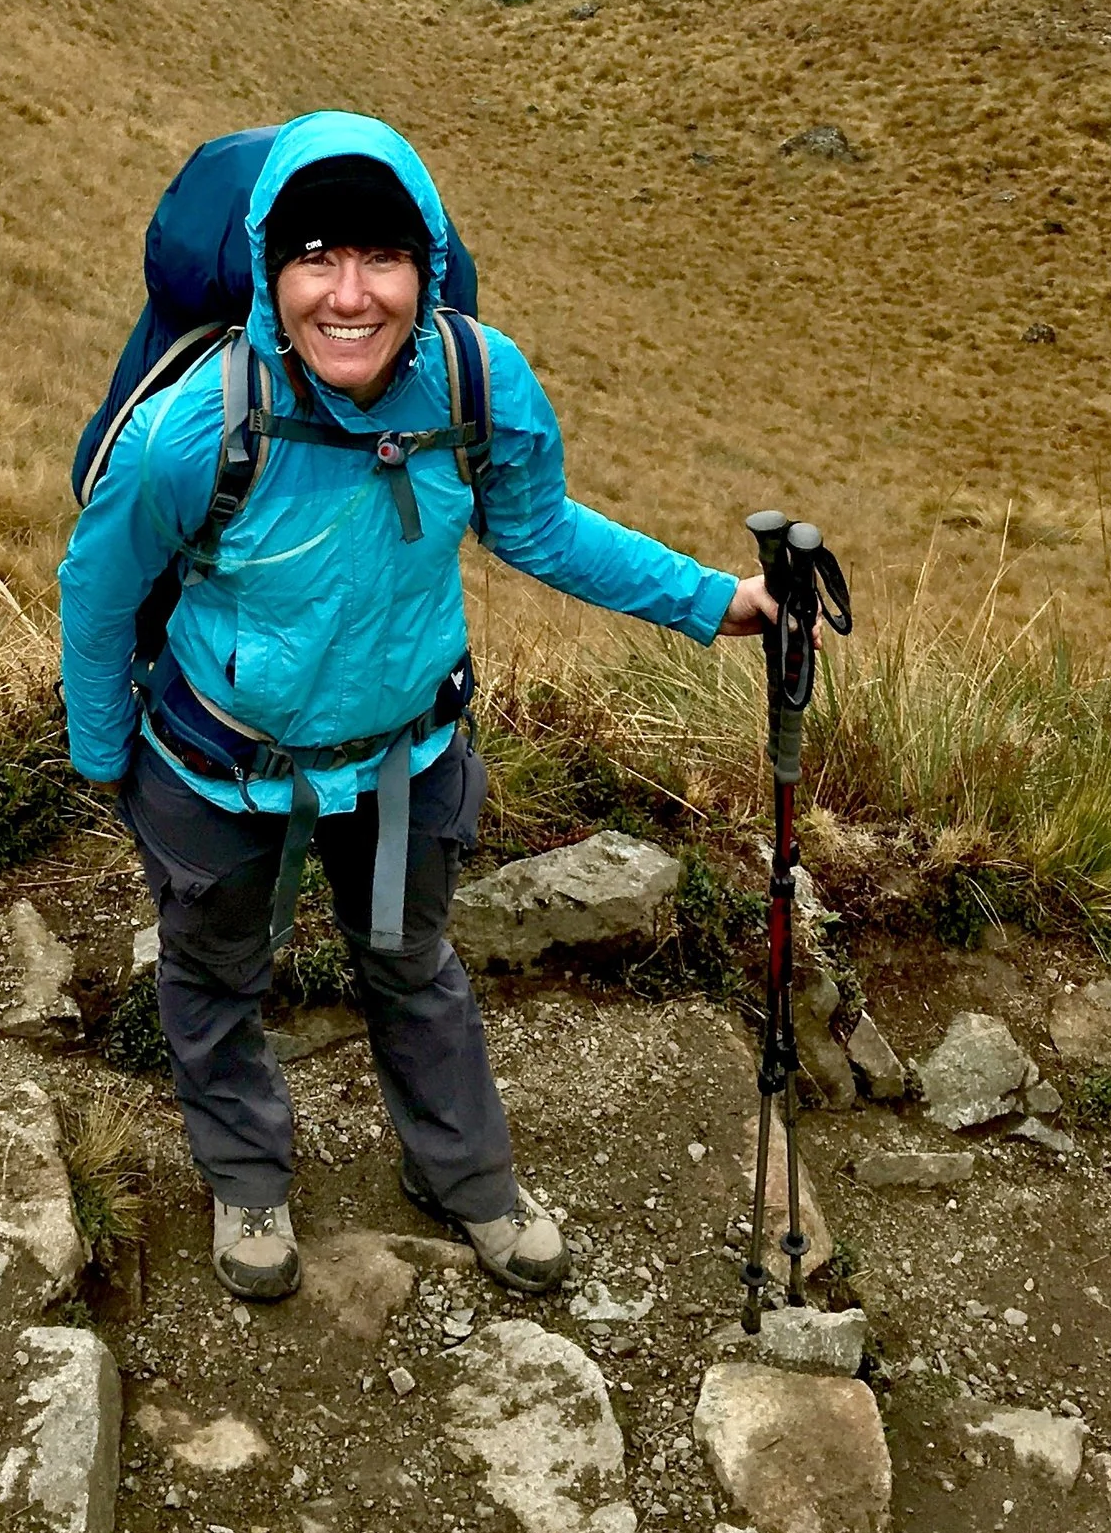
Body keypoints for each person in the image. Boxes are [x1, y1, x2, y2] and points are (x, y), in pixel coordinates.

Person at [58, 111, 776, 1304]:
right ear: (266, 272)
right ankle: (247, 1179)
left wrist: (713, 601)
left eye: (381, 257)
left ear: (426, 266)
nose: (349, 295)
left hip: (404, 764)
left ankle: (466, 1176)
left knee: (409, 963)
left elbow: (540, 528)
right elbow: (99, 585)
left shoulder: (478, 384)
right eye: (314, 258)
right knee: (218, 971)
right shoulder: (195, 428)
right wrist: (104, 756)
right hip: (212, 769)